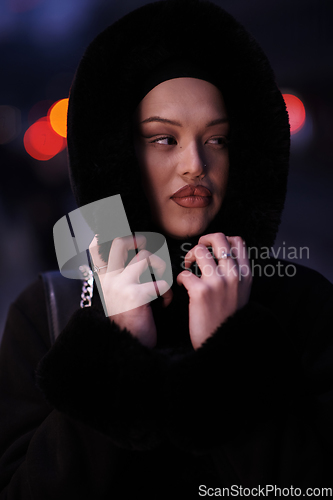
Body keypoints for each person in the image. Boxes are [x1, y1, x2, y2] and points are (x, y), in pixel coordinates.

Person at [1, 0, 333, 497]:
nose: (195, 164)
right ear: (119, 153)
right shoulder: (47, 311)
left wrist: (229, 350)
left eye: (217, 139)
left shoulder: (305, 303)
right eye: (163, 139)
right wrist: (117, 347)